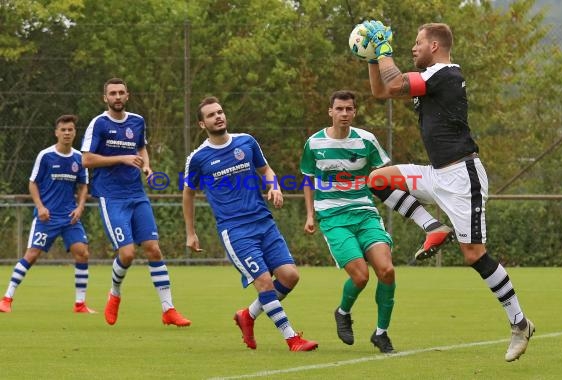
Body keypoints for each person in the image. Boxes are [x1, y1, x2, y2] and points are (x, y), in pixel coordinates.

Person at [360, 20, 534, 361]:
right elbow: (381, 91)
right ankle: (432, 226)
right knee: (377, 179)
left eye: (418, 43)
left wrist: (383, 49)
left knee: (474, 255)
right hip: (435, 174)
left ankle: (519, 323)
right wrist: (371, 56)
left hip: (461, 176)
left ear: (435, 46)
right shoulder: (430, 77)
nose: (413, 48)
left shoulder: (446, 74)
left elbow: (393, 82)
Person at [183, 96, 318, 351]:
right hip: (235, 231)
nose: (218, 117)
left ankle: (248, 315)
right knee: (265, 282)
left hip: (263, 222)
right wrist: (190, 232)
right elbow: (188, 193)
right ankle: (292, 339)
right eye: (211, 115)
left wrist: (274, 187)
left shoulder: (246, 141)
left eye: (220, 112)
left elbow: (266, 170)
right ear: (202, 124)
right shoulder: (198, 158)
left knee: (290, 276)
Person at [81, 77, 190, 327]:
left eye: (121, 93)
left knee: (153, 248)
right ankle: (115, 293)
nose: (117, 97)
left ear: (127, 95)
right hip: (111, 196)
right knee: (128, 253)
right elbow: (86, 160)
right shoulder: (98, 124)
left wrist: (147, 166)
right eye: (112, 93)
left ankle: (168, 309)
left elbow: (141, 149)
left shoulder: (137, 121)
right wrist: (121, 158)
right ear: (105, 98)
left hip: (137, 194)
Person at [300, 90, 396, 353]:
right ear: (330, 111)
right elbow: (308, 180)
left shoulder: (367, 140)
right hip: (332, 217)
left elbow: (383, 173)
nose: (344, 114)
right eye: (339, 109)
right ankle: (343, 312)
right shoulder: (315, 143)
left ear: (355, 112)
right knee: (361, 276)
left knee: (386, 271)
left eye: (349, 109)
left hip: (365, 213)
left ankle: (381, 333)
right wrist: (310, 215)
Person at [0, 115, 95, 314]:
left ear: (75, 132)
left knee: (83, 253)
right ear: (56, 132)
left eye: (70, 130)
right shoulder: (45, 156)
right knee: (32, 255)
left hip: (69, 217)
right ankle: (6, 298)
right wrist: (40, 207)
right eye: (63, 130)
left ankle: (80, 304)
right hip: (47, 217)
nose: (67, 133)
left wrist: (80, 207)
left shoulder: (79, 158)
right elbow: (32, 182)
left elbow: (83, 185)